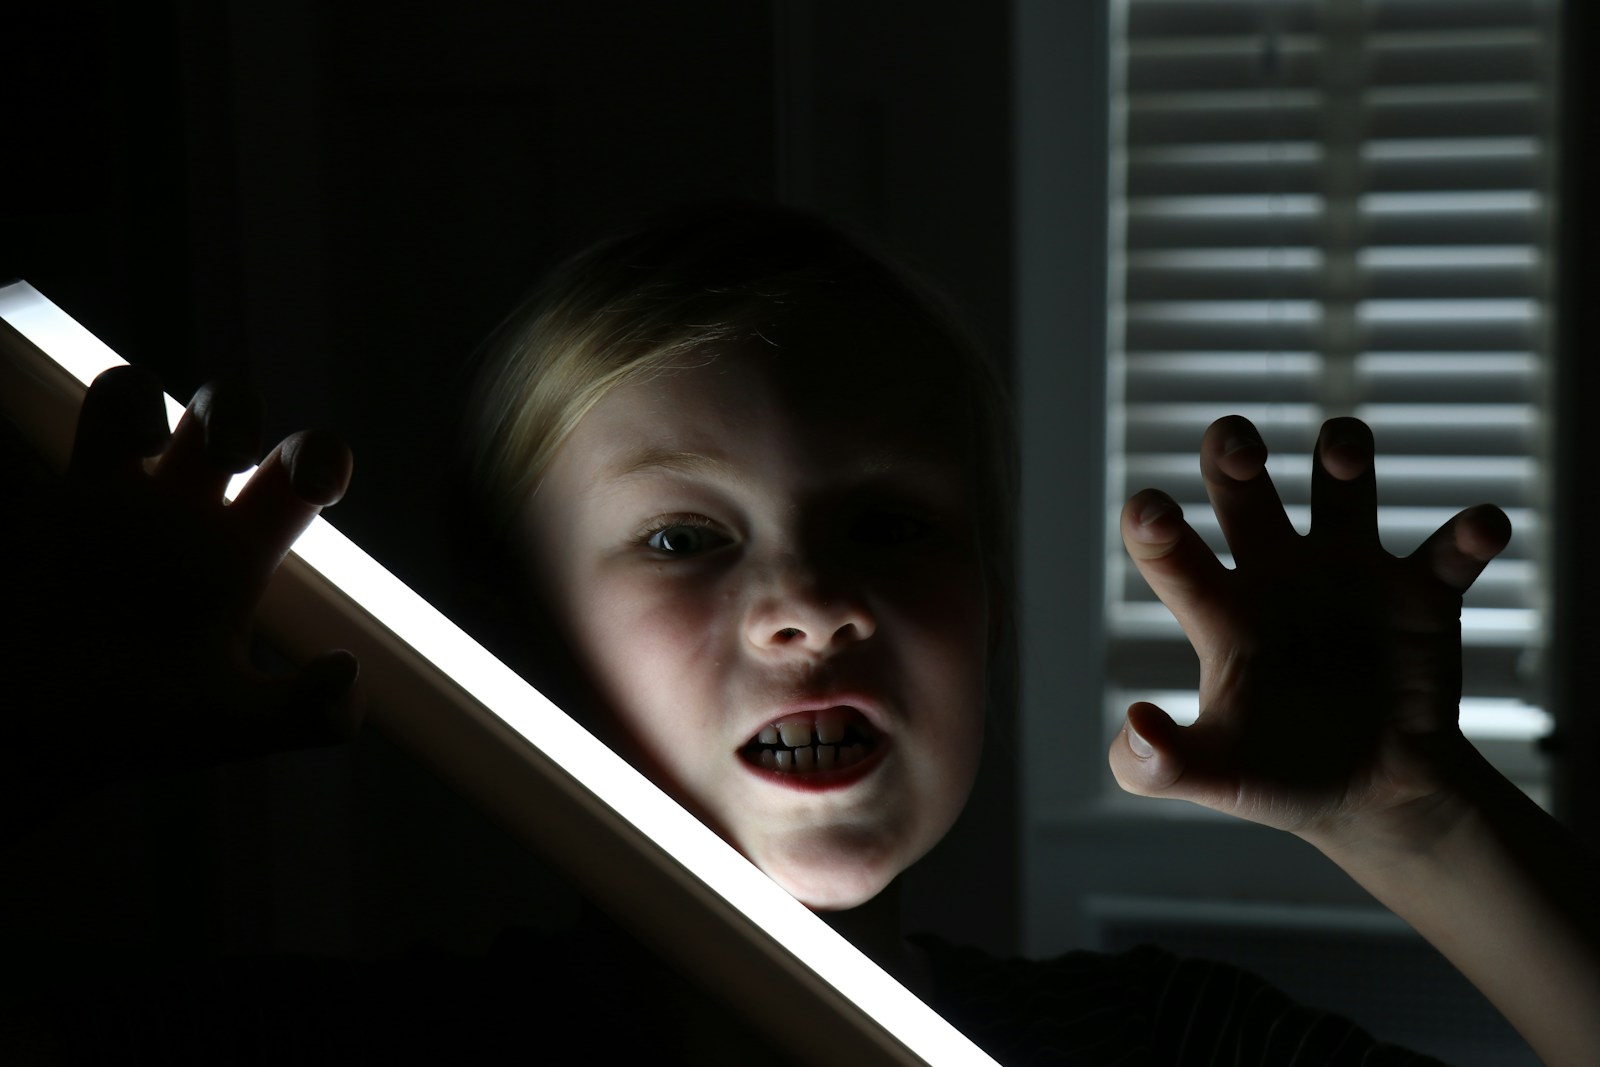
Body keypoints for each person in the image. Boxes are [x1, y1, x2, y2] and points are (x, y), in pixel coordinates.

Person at [6, 203, 1598, 1064]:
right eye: (686, 538)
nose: (818, 602)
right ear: (524, 641)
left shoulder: (1172, 1057)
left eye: (894, 524)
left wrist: (1422, 825)